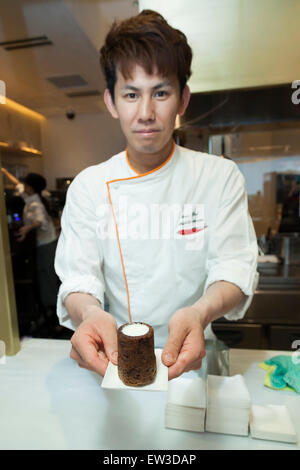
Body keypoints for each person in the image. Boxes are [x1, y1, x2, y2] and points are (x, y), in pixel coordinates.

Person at [54, 10, 259, 380]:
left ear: (182, 100)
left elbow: (234, 267)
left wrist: (199, 312)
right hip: (112, 359)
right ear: (111, 102)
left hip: (193, 358)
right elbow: (78, 278)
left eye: (160, 92)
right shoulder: (89, 186)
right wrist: (90, 314)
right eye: (131, 94)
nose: (146, 113)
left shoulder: (218, 176)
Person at [1, 168, 59, 331]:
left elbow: (42, 222)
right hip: (46, 244)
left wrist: (26, 229)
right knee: (46, 277)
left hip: (46, 246)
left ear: (31, 187)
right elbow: (17, 184)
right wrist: (5, 172)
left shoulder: (35, 203)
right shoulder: (32, 196)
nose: (22, 186)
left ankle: (55, 320)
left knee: (47, 278)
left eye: (26, 184)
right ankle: (50, 315)